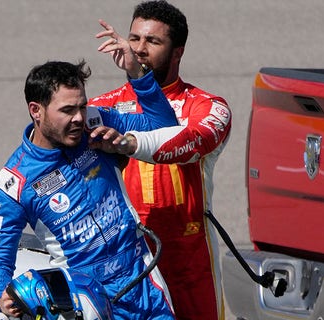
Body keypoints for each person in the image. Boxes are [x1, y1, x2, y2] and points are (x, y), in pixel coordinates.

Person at [0, 37, 179, 319]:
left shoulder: (96, 123)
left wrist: (137, 75)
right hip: (88, 302)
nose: (78, 118)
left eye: (81, 106)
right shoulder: (14, 183)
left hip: (143, 281)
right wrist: (1, 296)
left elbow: (166, 129)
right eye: (67, 110)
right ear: (36, 110)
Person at [89, 1, 232, 319]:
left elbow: (182, 141)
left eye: (152, 41)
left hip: (189, 259)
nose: (138, 49)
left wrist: (127, 142)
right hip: (126, 257)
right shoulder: (101, 107)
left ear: (178, 51)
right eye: (134, 38)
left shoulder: (208, 107)